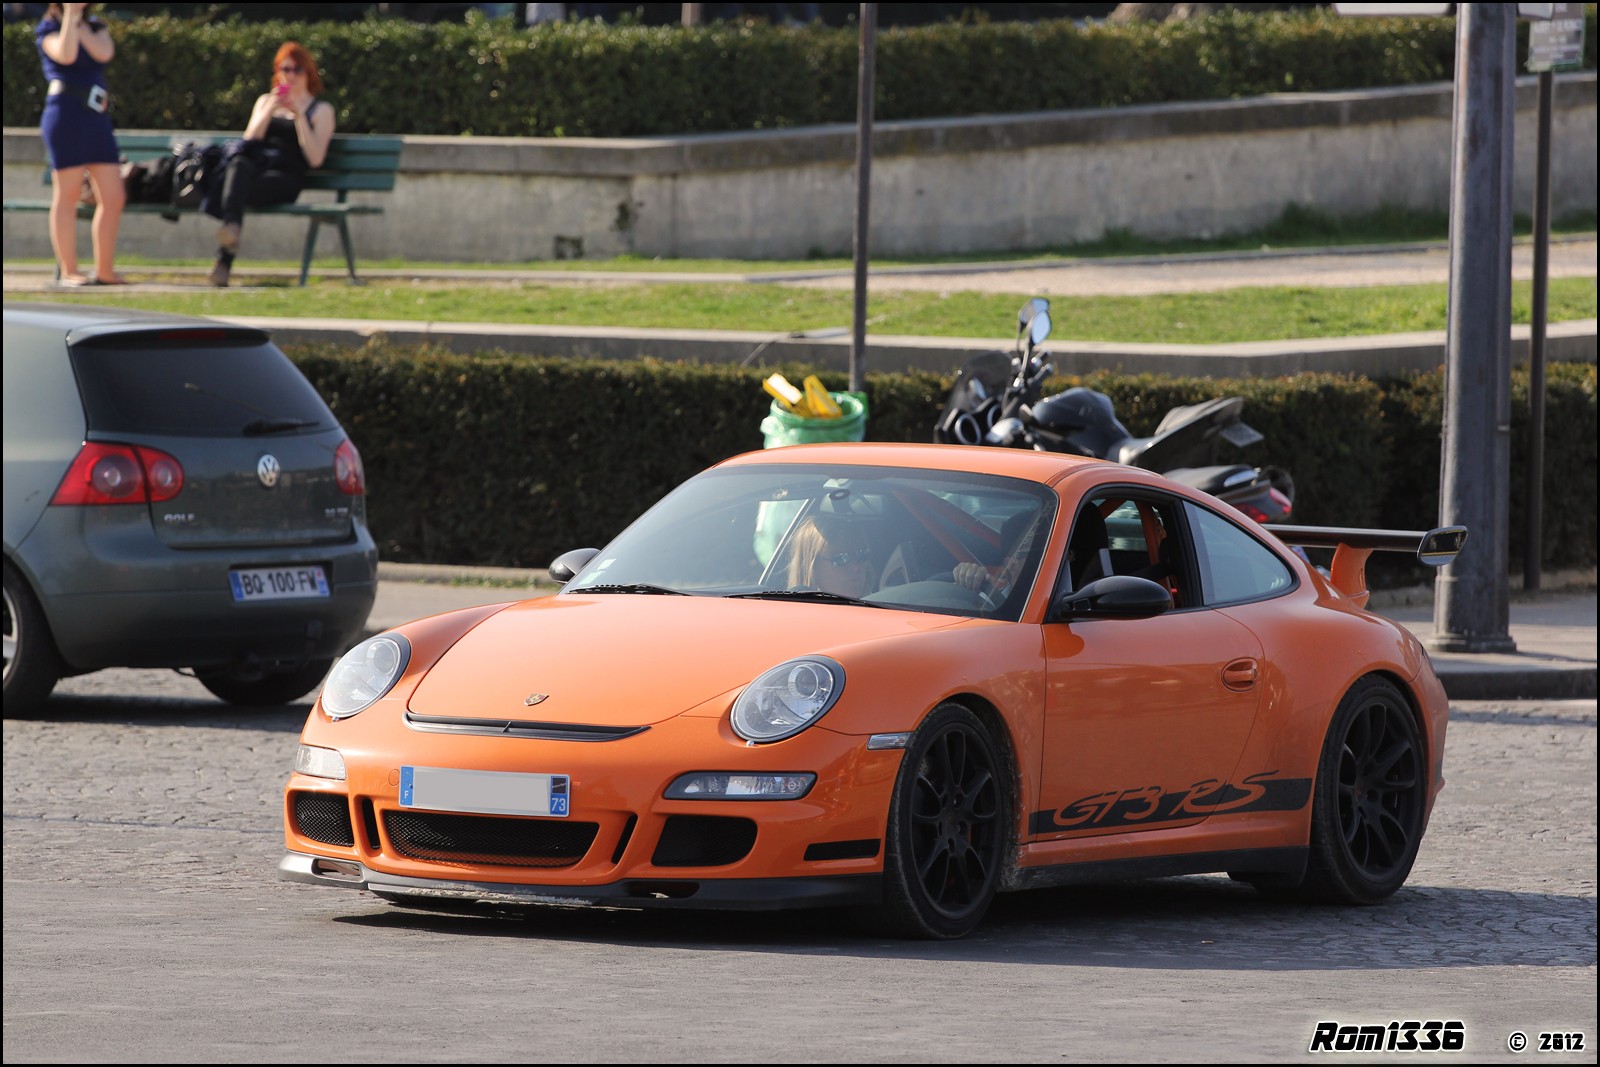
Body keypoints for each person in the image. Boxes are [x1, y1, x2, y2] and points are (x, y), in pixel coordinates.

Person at [206, 41, 335, 287]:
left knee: (237, 189)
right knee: (239, 165)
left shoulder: (321, 110)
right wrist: (270, 109)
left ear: (308, 72)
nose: (290, 75)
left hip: (285, 178)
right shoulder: (266, 100)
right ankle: (230, 232)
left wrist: (299, 117)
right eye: (284, 69)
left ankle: (224, 260)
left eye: (297, 69)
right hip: (255, 171)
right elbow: (249, 140)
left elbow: (316, 158)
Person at [36, 2, 125, 286]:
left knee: (113, 196)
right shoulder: (48, 28)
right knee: (68, 193)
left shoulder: (96, 26)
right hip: (65, 112)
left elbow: (105, 52)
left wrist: (82, 24)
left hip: (96, 116)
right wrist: (70, 17)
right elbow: (65, 54)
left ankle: (105, 271)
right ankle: (70, 270)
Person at [786, 514, 873, 599]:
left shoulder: (881, 608)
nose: (855, 567)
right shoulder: (793, 612)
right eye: (841, 559)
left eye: (862, 555)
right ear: (812, 568)